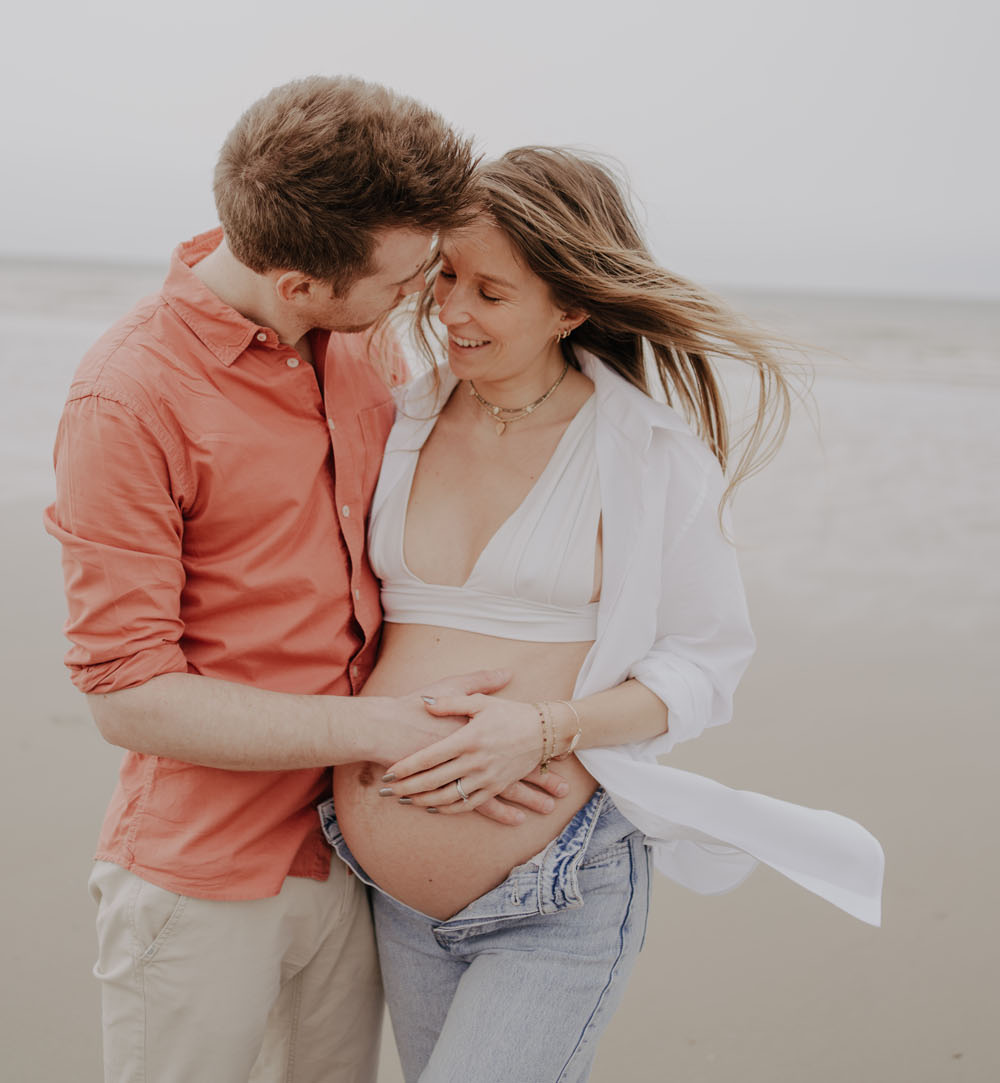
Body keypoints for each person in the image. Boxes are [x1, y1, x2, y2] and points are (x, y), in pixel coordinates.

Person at [44, 79, 569, 1083]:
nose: (425, 294)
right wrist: (388, 728)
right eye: (404, 275)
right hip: (201, 880)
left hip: (349, 865)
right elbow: (126, 694)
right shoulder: (128, 396)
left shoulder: (364, 343)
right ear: (296, 283)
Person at [324, 147, 885, 1083]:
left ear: (570, 306)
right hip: (390, 896)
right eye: (447, 277)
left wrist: (544, 729)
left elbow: (705, 666)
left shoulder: (647, 453)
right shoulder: (399, 418)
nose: (454, 311)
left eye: (491, 293)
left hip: (556, 893)